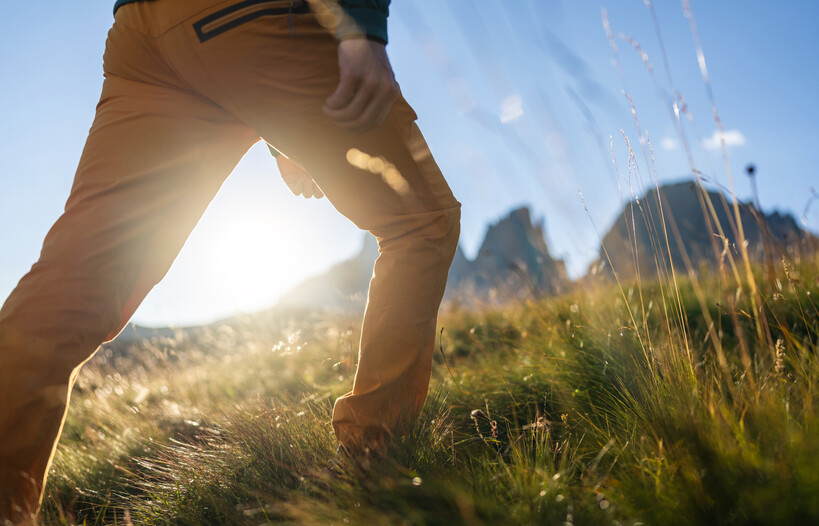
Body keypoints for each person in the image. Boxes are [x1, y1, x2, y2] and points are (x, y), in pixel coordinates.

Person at [0, 0, 461, 521]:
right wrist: (360, 27)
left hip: (143, 36)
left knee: (77, 280)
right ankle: (372, 469)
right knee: (421, 222)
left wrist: (279, 137)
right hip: (248, 14)